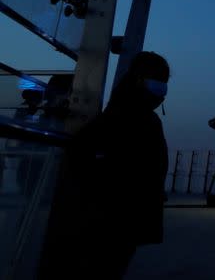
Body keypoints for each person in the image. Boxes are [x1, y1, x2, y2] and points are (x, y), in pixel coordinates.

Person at [38, 51, 170, 280]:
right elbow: (85, 153)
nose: (162, 90)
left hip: (117, 217)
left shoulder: (130, 114)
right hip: (115, 219)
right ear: (139, 79)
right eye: (158, 82)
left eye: (164, 84)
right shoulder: (130, 117)